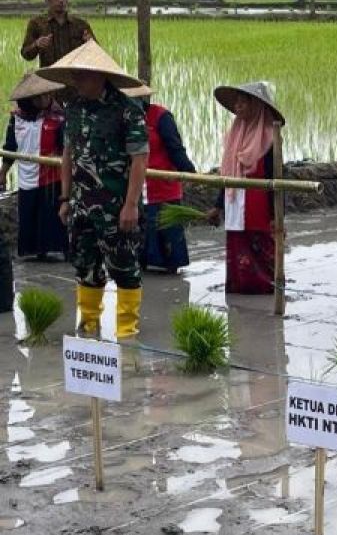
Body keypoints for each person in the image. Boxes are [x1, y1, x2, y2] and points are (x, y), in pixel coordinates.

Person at [35, 41, 148, 339]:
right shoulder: (74, 110)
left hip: (116, 206)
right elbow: (68, 155)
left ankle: (127, 331)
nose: (76, 81)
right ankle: (88, 325)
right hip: (81, 205)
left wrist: (131, 204)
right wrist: (64, 198)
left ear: (99, 75)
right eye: (74, 76)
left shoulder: (127, 110)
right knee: (85, 265)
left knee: (123, 266)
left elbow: (140, 159)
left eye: (81, 75)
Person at [206, 81, 283, 295]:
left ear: (257, 106)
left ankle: (265, 287)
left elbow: (276, 179)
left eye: (243, 103)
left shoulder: (269, 137)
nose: (238, 107)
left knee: (260, 245)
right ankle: (239, 287)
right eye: (237, 103)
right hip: (234, 199)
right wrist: (218, 206)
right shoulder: (235, 134)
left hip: (258, 203)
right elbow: (228, 175)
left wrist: (277, 215)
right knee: (237, 245)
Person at [2, 72, 69, 260]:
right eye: (39, 96)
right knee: (29, 213)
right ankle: (33, 252)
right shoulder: (17, 119)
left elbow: (66, 149)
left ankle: (56, 250)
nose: (45, 99)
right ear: (29, 99)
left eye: (47, 95)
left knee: (49, 215)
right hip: (26, 175)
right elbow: (10, 146)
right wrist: (3, 173)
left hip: (50, 176)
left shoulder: (59, 118)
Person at [139, 95, 197, 273]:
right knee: (143, 230)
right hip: (140, 186)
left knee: (166, 233)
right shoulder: (127, 118)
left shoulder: (161, 117)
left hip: (164, 186)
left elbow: (175, 148)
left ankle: (168, 269)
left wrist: (190, 173)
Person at [20, 0, 95, 68]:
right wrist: (37, 44)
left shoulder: (81, 25)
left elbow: (98, 55)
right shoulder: (36, 23)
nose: (61, 0)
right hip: (49, 78)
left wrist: (91, 44)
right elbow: (25, 54)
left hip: (75, 79)